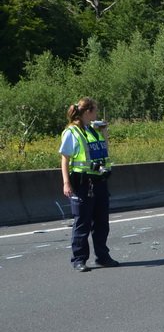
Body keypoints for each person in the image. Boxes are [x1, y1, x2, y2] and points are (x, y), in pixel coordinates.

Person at [59, 98, 119, 272]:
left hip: (99, 182)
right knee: (82, 223)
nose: (97, 114)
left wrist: (104, 131)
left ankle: (103, 257)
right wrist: (66, 182)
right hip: (82, 183)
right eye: (95, 110)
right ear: (87, 112)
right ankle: (79, 259)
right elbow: (65, 159)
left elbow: (104, 149)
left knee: (102, 223)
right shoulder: (72, 132)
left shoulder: (93, 130)